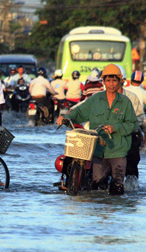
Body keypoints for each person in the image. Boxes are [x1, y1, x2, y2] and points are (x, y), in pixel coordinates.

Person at [56, 64, 138, 195]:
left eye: (114, 81)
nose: (111, 84)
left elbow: (133, 124)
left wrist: (115, 128)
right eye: (108, 81)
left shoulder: (125, 102)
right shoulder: (95, 99)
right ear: (104, 82)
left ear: (119, 82)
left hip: (118, 150)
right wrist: (65, 118)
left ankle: (116, 214)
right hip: (98, 150)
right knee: (96, 184)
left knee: (117, 187)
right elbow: (78, 112)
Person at [125, 70, 146, 147]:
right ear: (141, 81)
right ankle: (145, 145)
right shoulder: (143, 92)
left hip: (124, 116)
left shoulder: (124, 89)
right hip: (138, 118)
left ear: (131, 79)